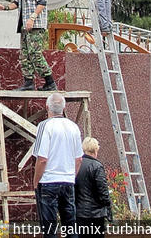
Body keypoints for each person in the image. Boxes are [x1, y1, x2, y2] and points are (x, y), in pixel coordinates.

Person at [0, 0, 58, 91]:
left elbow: (42, 3)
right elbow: (16, 3)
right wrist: (3, 7)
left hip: (35, 26)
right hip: (24, 26)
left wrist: (32, 18)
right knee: (25, 55)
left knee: (35, 53)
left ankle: (50, 81)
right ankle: (28, 82)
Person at [33, 92, 84, 238]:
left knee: (49, 228)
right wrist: (71, 176)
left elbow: (42, 159)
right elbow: (79, 158)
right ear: (64, 107)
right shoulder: (74, 127)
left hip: (49, 181)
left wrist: (36, 181)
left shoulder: (45, 126)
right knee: (70, 226)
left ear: (47, 107)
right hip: (67, 181)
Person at [75, 137, 112, 236]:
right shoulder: (97, 166)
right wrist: (108, 206)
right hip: (95, 214)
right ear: (95, 150)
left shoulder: (76, 164)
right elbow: (103, 192)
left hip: (78, 212)